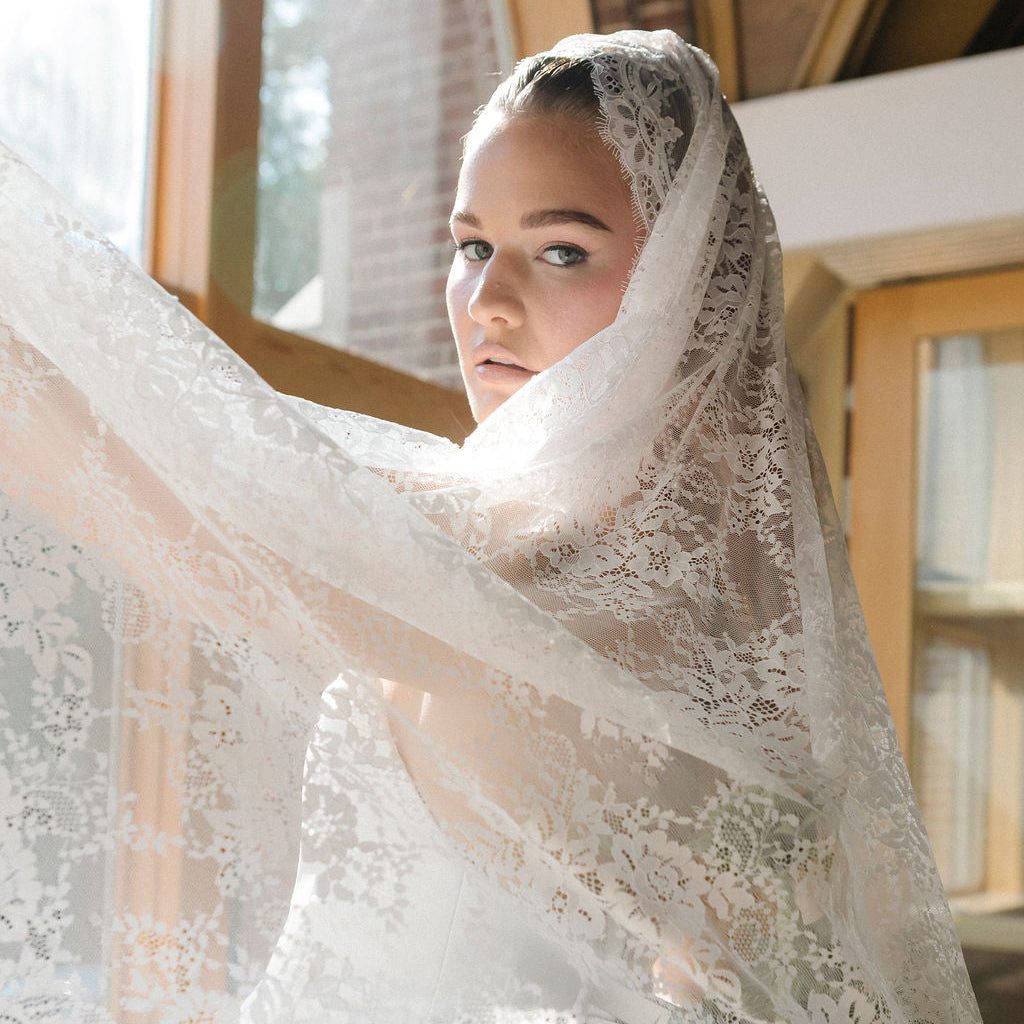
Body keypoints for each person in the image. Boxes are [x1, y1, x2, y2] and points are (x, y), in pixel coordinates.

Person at [0, 29, 980, 1024]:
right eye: (473, 247)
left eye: (562, 250)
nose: (488, 303)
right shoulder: (542, 537)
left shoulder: (583, 586)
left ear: (687, 287)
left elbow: (166, 487)